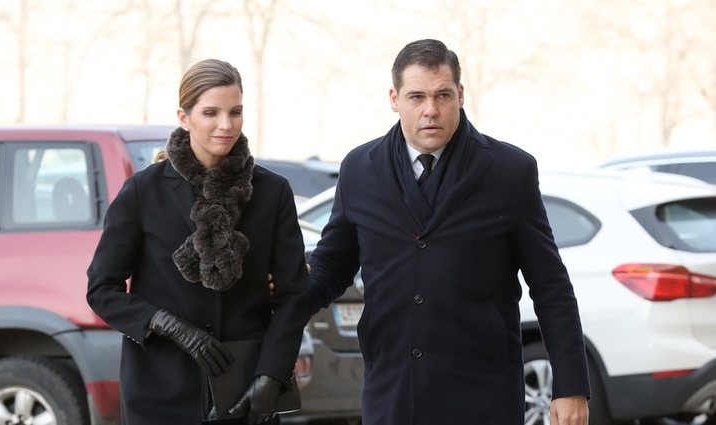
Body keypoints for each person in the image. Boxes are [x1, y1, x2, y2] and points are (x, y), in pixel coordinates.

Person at [304, 39, 591, 425]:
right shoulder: (360, 169)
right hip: (392, 394)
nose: (430, 111)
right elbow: (332, 268)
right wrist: (289, 285)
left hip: (483, 395)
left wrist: (570, 386)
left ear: (460, 94)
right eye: (417, 97)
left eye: (442, 95)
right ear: (394, 98)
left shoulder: (510, 171)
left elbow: (551, 285)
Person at [87, 59, 309, 425]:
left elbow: (293, 296)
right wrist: (166, 324)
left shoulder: (272, 192)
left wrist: (271, 376)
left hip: (244, 390)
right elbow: (102, 289)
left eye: (235, 112)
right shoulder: (143, 191)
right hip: (159, 391)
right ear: (184, 116)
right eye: (211, 112)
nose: (226, 124)